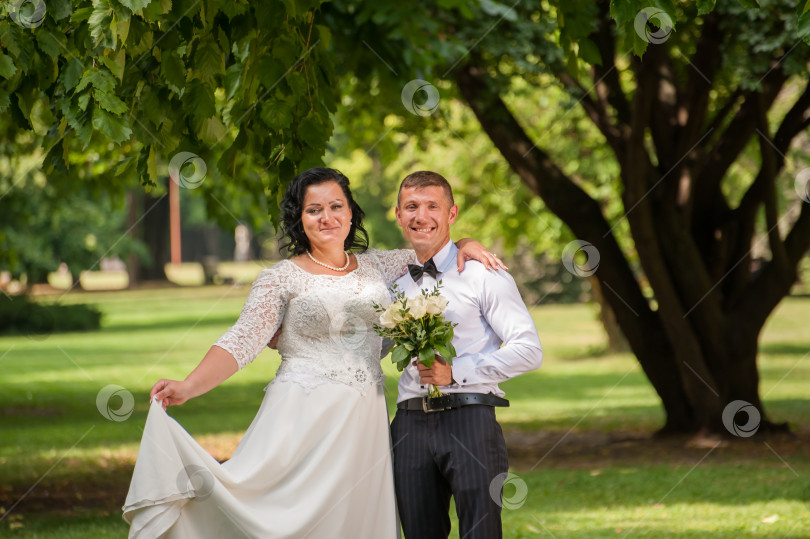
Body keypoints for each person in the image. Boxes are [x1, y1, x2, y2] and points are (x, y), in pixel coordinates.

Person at [121, 167, 502, 538]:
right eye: (314, 209)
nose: (327, 217)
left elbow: (437, 251)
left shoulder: (384, 266)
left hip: (363, 420)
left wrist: (468, 243)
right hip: (300, 416)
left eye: (336, 206)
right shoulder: (281, 277)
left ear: (351, 213)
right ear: (299, 218)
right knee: (286, 519)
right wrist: (189, 385)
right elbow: (242, 339)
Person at [389, 171, 543, 539]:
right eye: (411, 207)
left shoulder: (483, 273)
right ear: (398, 215)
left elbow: (528, 349)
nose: (421, 216)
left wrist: (456, 371)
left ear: (452, 214)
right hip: (408, 426)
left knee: (480, 532)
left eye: (432, 206)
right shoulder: (393, 284)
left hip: (471, 420)